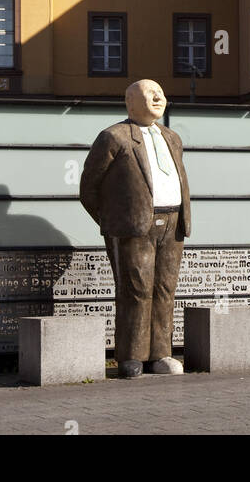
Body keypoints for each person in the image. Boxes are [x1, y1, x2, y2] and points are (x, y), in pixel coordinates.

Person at [80, 79, 191, 378]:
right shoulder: (113, 137)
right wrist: (115, 221)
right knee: (135, 290)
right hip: (132, 227)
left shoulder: (172, 137)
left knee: (165, 289)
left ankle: (161, 354)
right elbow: (89, 188)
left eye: (161, 92)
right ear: (130, 102)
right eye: (149, 92)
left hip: (173, 222)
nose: (158, 96)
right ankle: (131, 356)